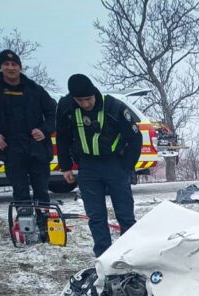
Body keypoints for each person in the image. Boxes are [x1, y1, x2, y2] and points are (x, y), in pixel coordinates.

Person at [0, 50, 56, 238]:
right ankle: (27, 231)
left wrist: (44, 129)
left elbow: (52, 112)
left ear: (19, 67)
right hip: (10, 147)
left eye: (14, 64)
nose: (10, 68)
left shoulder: (34, 89)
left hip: (36, 146)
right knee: (20, 189)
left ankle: (46, 229)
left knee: (41, 188)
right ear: (1, 67)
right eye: (6, 64)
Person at [55, 74, 142, 256]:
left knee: (125, 215)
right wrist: (65, 166)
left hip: (115, 165)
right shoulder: (66, 108)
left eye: (88, 99)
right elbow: (62, 138)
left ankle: (131, 253)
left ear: (94, 92)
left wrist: (127, 165)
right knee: (96, 216)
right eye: (80, 100)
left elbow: (135, 137)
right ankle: (104, 255)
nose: (85, 104)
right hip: (88, 167)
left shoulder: (113, 106)